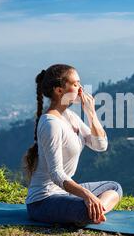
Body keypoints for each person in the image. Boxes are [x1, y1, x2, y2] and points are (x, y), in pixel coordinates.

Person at [23, 64, 123, 227]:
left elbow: (100, 145)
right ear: (59, 90)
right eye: (75, 84)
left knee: (114, 187)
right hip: (43, 202)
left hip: (64, 193)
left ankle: (96, 211)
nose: (81, 88)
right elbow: (56, 174)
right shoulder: (51, 124)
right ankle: (94, 211)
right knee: (85, 209)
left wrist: (91, 113)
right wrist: (87, 195)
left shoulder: (71, 116)